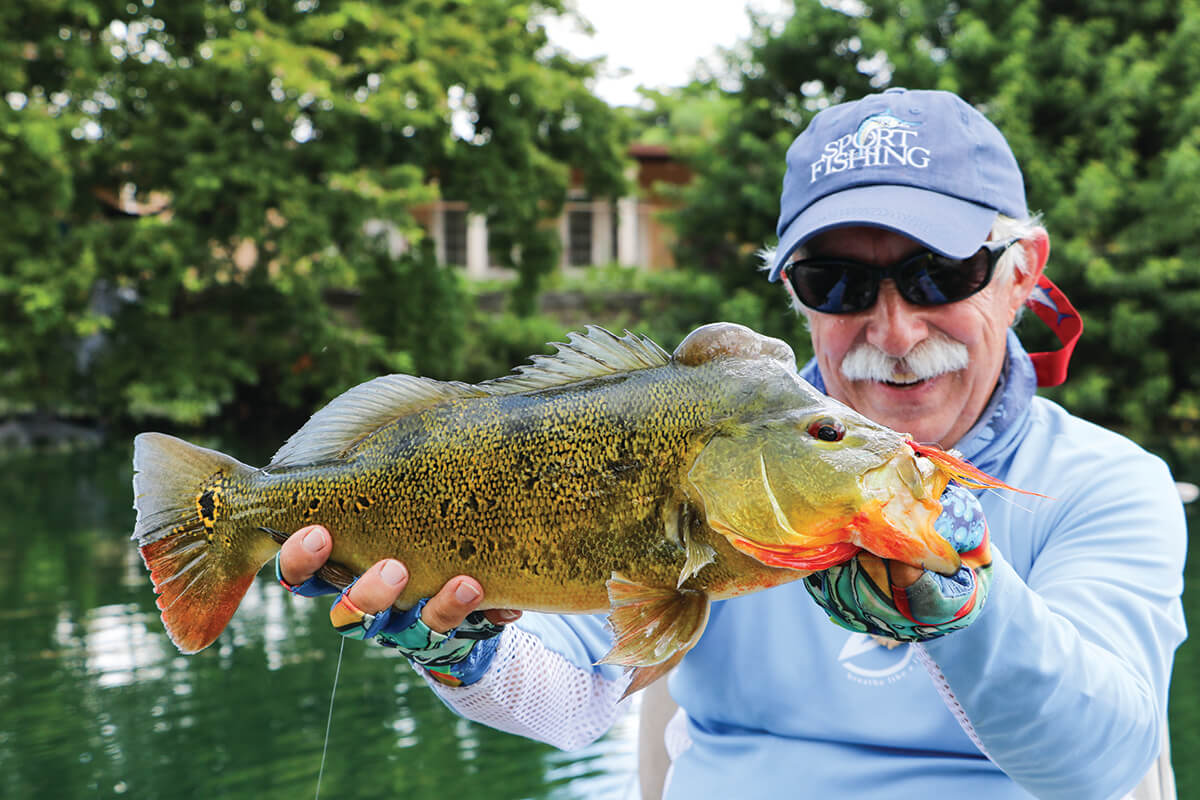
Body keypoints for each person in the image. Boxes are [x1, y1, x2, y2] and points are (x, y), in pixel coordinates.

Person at [277, 88, 1187, 799]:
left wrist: (961, 606)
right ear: (794, 293)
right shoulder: (722, 453)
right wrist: (462, 651)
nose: (895, 330)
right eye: (837, 282)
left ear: (1024, 271)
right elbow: (573, 692)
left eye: (938, 272)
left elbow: (1096, 764)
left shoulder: (1105, 485)